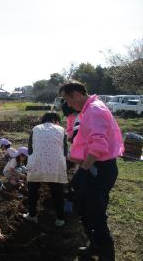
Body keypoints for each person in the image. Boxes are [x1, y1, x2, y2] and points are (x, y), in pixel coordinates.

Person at [59, 81, 124, 261]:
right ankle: (94, 245)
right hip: (94, 167)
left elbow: (98, 146)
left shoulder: (95, 110)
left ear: (77, 95)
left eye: (68, 99)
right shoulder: (88, 110)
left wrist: (83, 172)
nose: (68, 104)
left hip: (98, 169)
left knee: (95, 212)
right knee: (83, 207)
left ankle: (105, 253)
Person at [23, 112, 68, 227]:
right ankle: (60, 219)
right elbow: (65, 151)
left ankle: (32, 215)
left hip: (36, 164)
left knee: (33, 191)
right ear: (54, 120)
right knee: (57, 193)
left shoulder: (35, 128)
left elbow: (30, 150)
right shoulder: (61, 130)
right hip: (55, 166)